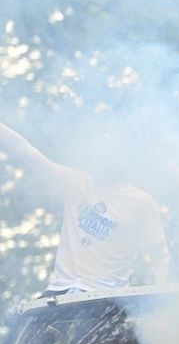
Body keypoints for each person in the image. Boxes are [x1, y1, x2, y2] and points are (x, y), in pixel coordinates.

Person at [0, 121, 169, 294]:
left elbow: (159, 255)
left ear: (119, 161)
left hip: (105, 294)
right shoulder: (76, 183)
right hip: (61, 288)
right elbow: (28, 154)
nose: (94, 158)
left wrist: (159, 302)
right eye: (93, 153)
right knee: (18, 320)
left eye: (102, 154)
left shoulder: (141, 202)